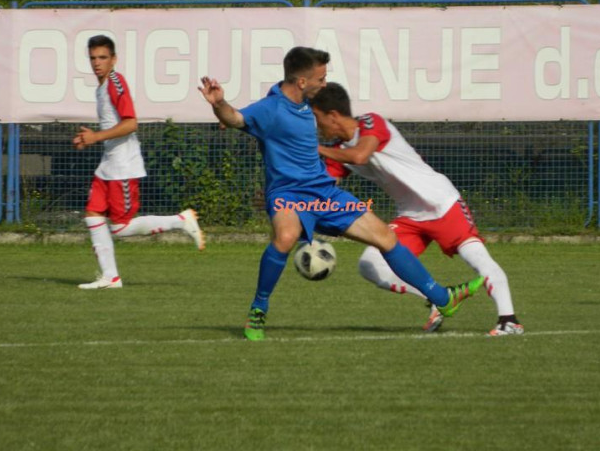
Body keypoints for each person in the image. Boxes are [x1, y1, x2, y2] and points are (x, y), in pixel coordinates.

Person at [198, 46, 484, 341]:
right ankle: (258, 309)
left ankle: (443, 298)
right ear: (302, 82)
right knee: (285, 237)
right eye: (320, 78)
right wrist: (219, 104)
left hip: (324, 193)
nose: (325, 84)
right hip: (287, 193)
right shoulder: (270, 108)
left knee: (386, 238)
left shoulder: (308, 104)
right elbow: (235, 118)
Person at [311, 82, 524, 336]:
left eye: (317, 118)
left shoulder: (370, 123)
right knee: (369, 264)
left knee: (477, 258)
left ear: (333, 116)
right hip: (410, 217)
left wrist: (314, 148)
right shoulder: (337, 150)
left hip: (441, 203)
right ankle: (438, 296)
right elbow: (324, 188)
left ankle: (509, 320)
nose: (317, 126)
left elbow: (360, 155)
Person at [74, 34, 205, 290]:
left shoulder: (115, 82)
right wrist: (88, 139)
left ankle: (180, 220)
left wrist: (96, 137)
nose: (97, 63)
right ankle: (110, 277)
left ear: (114, 59)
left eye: (102, 57)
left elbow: (131, 123)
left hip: (123, 166)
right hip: (108, 164)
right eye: (93, 58)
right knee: (93, 214)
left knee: (120, 228)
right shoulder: (101, 87)